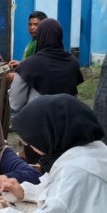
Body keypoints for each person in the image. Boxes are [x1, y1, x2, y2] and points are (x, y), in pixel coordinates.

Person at [9, 18, 83, 163]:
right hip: (67, 131)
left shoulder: (29, 65)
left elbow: (16, 103)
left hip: (38, 133)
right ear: (59, 35)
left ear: (41, 35)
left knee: (36, 176)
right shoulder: (72, 62)